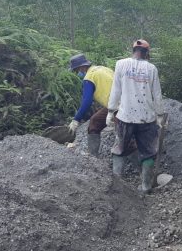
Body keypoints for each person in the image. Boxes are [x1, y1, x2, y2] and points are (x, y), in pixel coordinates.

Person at [107, 39, 165, 193]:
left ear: (133, 50)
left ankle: (116, 185)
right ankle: (146, 187)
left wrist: (111, 110)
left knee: (120, 148)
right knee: (148, 152)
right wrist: (159, 115)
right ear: (147, 53)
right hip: (147, 118)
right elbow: (157, 95)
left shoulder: (121, 64)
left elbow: (116, 90)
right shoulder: (151, 69)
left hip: (125, 117)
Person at [68, 54, 115, 156]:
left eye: (76, 71)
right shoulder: (104, 69)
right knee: (95, 121)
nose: (77, 73)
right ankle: (93, 157)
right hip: (116, 103)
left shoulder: (89, 77)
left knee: (125, 139)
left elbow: (87, 101)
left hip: (118, 107)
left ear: (81, 67)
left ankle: (141, 169)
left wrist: (76, 119)